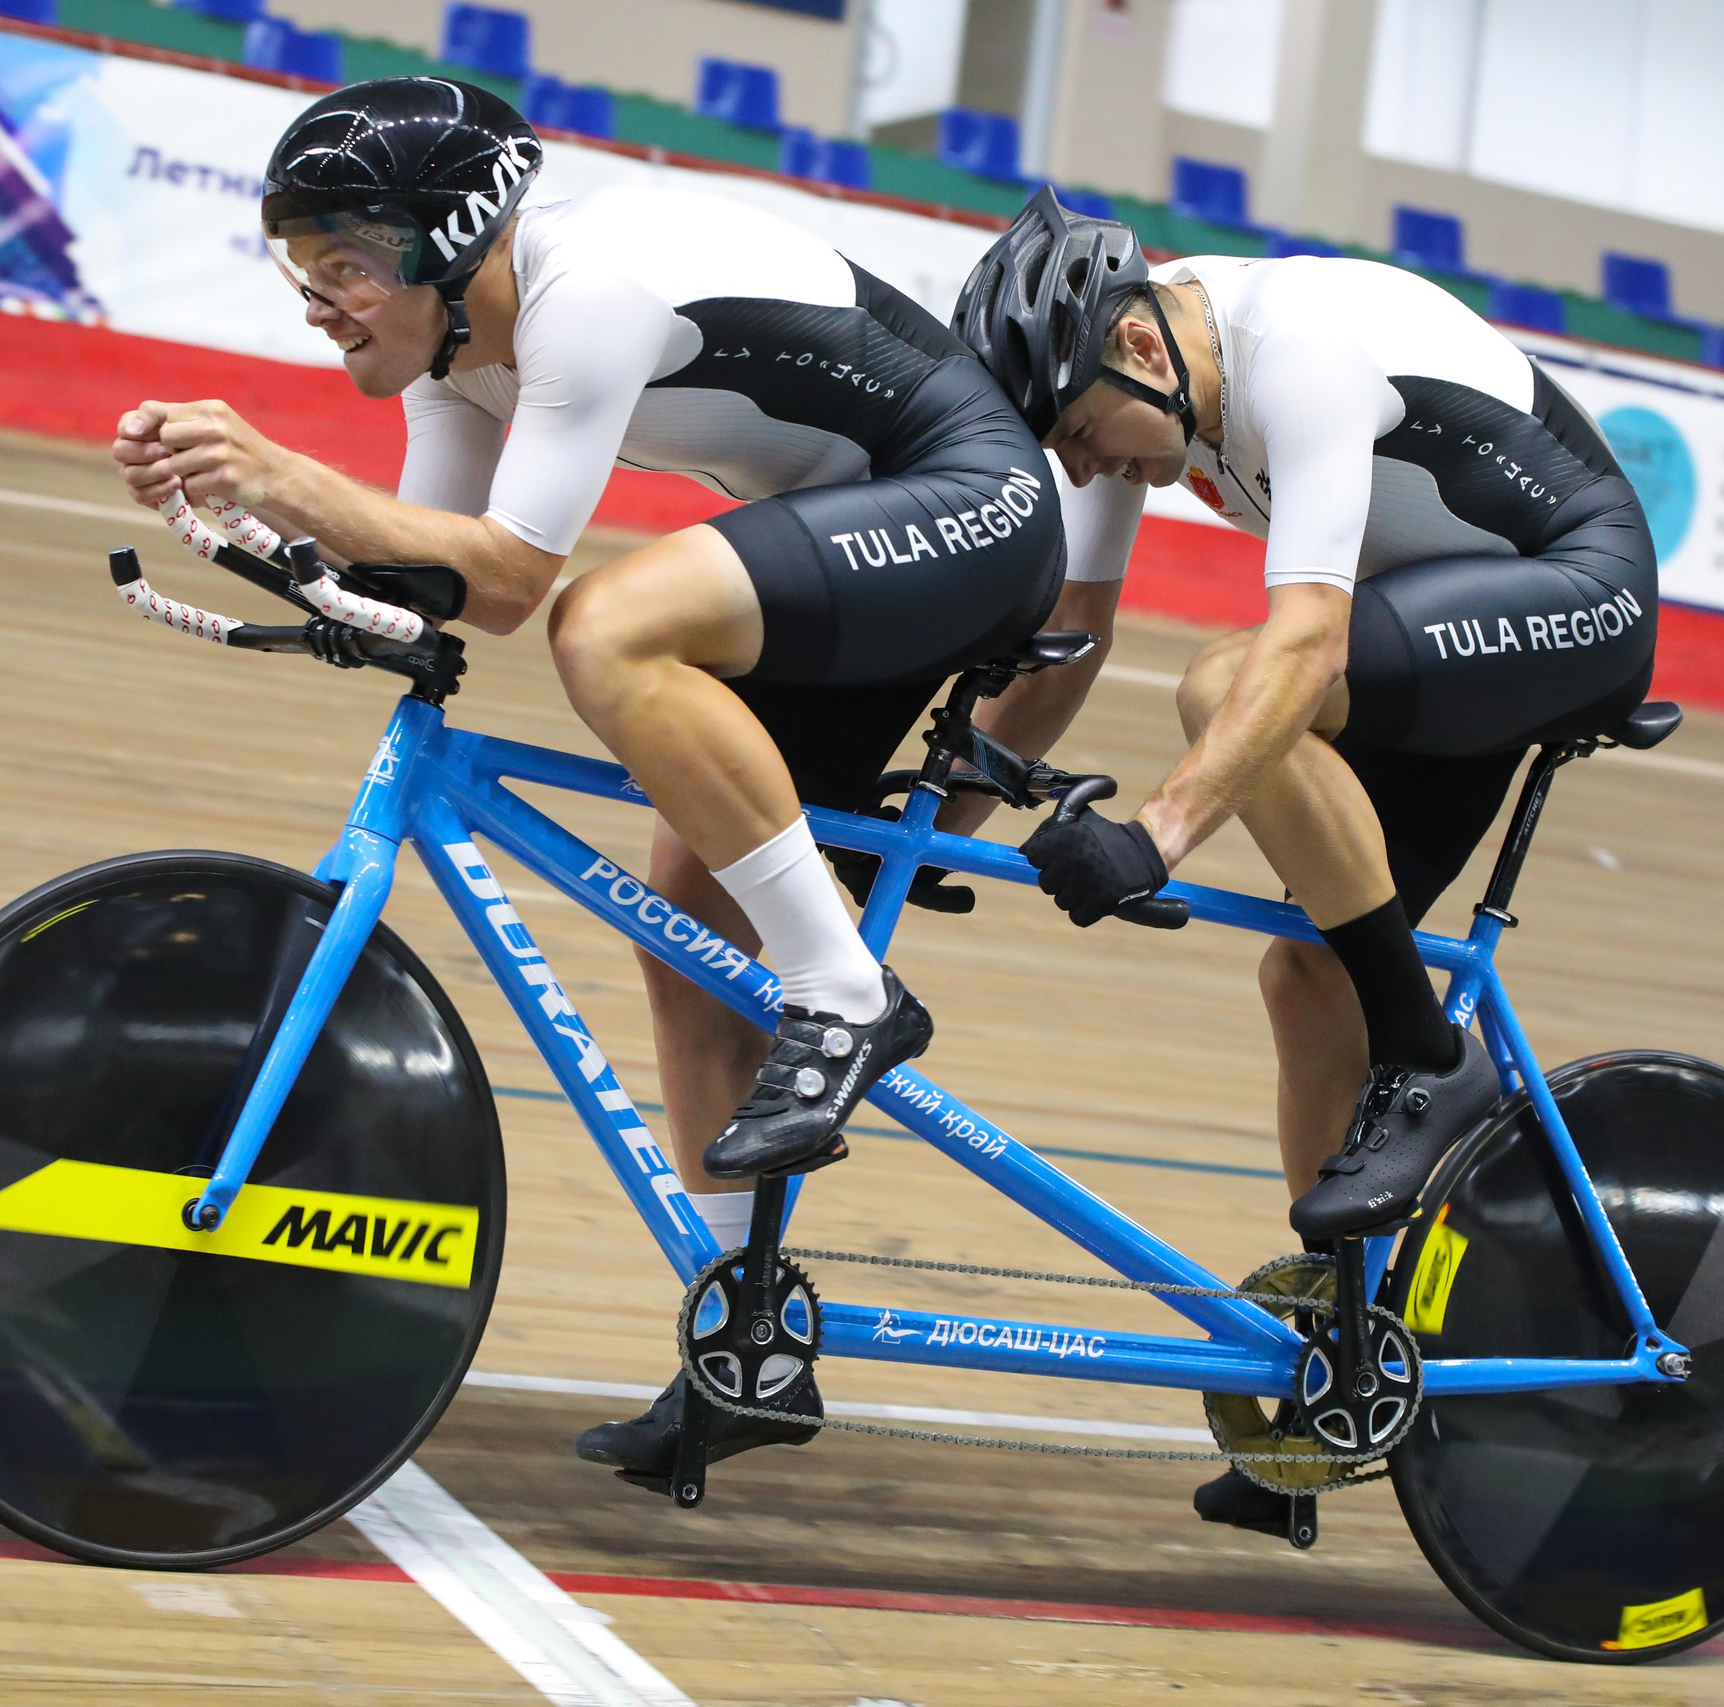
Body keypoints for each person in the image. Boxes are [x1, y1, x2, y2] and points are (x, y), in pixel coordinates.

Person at [111, 79, 1084, 1490]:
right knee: (690, 917)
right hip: (861, 526)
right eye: (299, 267)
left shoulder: (584, 296)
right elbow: (432, 575)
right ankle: (745, 1345)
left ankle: (850, 994)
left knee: (609, 625)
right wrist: (240, 509)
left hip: (974, 504)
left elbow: (515, 581)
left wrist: (283, 472)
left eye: (345, 266)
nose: (317, 303)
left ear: (451, 242)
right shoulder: (457, 352)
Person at [955, 188, 1660, 1536]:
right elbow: (1074, 633)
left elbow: (1306, 649)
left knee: (1227, 683)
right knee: (1304, 978)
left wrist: (1157, 834)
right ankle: (1339, 1370)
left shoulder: (1300, 350)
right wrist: (951, 819)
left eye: (1084, 438)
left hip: (1576, 593)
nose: (1085, 472)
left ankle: (1430, 1055)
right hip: (1443, 622)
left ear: (1141, 350)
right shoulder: (1137, 383)